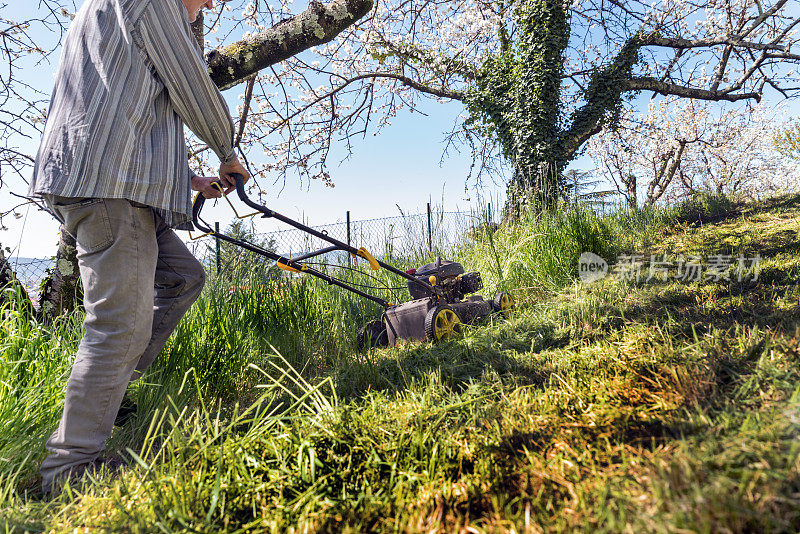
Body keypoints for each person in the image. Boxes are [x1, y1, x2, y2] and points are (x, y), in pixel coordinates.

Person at [29, 0, 250, 494]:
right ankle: (69, 470)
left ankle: (115, 390)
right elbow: (191, 82)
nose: (208, 6)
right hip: (112, 189)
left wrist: (191, 180)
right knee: (119, 325)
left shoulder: (111, 10)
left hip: (115, 180)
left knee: (182, 277)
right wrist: (227, 151)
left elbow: (128, 106)